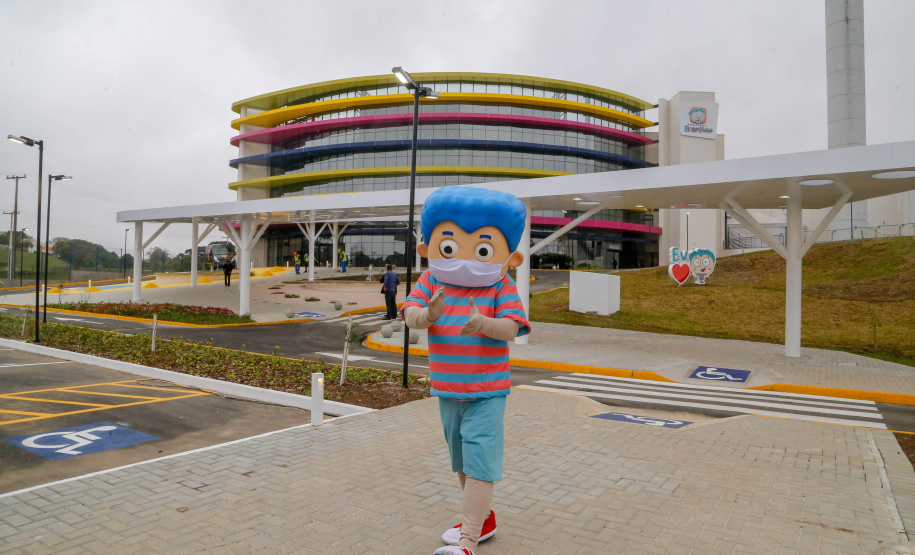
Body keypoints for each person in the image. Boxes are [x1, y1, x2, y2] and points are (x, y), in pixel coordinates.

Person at [401, 186, 530, 555]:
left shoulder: (500, 285)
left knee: (479, 464)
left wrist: (484, 324)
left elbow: (511, 328)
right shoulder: (431, 281)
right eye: (450, 246)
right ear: (427, 250)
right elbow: (411, 316)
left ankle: (469, 542)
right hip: (447, 390)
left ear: (512, 258)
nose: (465, 259)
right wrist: (429, 315)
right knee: (461, 461)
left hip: (487, 391)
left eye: (483, 249)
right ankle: (484, 520)